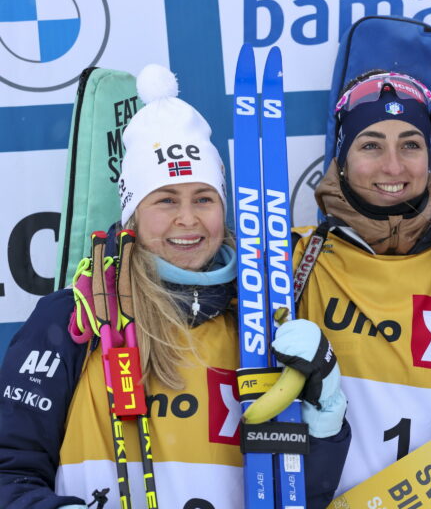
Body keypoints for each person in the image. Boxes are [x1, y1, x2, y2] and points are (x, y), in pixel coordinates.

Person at [0, 64, 348, 508]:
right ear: (132, 214)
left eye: (204, 198)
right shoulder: (75, 318)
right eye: (165, 200)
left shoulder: (258, 321)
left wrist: (325, 419)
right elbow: (10, 471)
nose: (188, 220)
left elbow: (302, 494)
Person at [272, 70, 431, 497]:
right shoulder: (295, 263)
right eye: (370, 144)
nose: (393, 166)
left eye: (411, 144)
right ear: (341, 157)